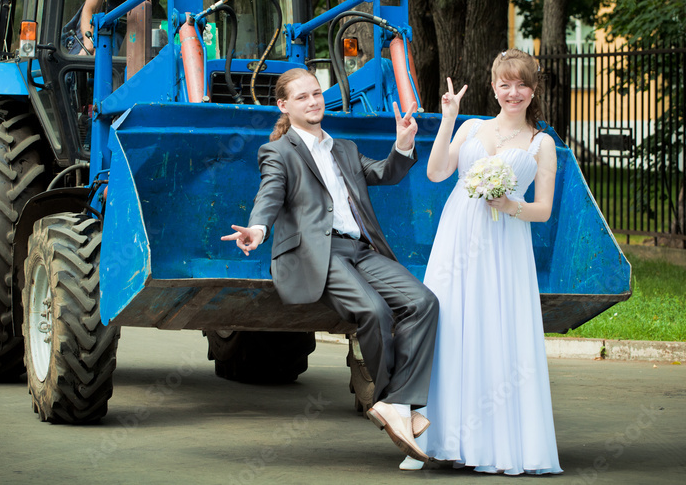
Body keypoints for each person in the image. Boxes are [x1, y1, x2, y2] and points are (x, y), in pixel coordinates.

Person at [222, 68, 439, 463]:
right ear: (284, 106)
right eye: (302, 97)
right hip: (317, 254)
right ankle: (395, 403)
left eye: (317, 93)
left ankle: (398, 402)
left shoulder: (345, 149)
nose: (314, 101)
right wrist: (257, 228)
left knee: (423, 303)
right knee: (373, 310)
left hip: (361, 249)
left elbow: (385, 173)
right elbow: (270, 193)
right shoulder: (278, 152)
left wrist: (403, 146)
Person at [403, 49, 563, 474]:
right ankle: (431, 439)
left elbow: (543, 209)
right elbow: (437, 173)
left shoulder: (541, 142)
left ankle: (494, 445)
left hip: (504, 244)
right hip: (457, 239)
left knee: (495, 330)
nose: (513, 93)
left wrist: (511, 205)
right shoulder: (471, 126)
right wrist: (449, 118)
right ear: (493, 86)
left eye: (521, 84)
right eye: (504, 84)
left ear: (533, 90)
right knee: (450, 328)